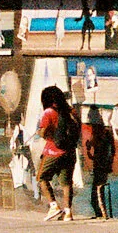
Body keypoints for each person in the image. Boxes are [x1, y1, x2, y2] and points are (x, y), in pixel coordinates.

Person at [36, 85, 78, 222]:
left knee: (42, 177)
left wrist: (41, 133)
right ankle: (68, 212)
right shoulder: (72, 111)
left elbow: (43, 132)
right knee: (66, 183)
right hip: (70, 151)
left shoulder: (48, 112)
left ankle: (53, 206)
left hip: (53, 151)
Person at [83, 105, 116, 219]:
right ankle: (100, 213)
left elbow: (106, 150)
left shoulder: (100, 133)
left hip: (101, 165)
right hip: (102, 164)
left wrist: (90, 148)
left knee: (97, 191)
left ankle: (102, 213)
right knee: (97, 190)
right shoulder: (104, 133)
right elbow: (111, 150)